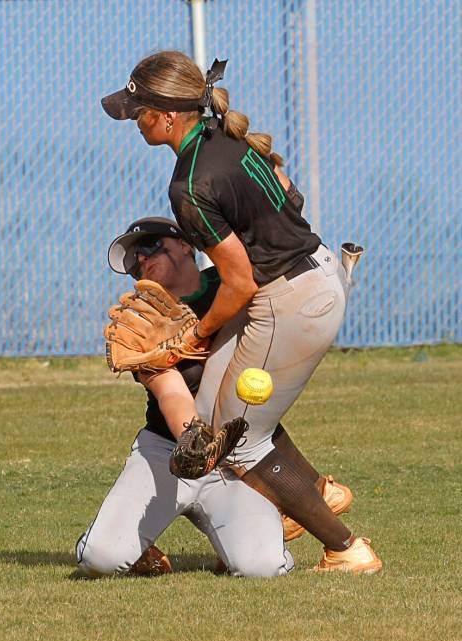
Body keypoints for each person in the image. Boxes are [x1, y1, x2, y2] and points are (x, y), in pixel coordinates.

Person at [100, 51, 382, 573]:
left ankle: (345, 548)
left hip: (288, 298)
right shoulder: (224, 140)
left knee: (238, 439)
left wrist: (197, 336)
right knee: (209, 423)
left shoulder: (188, 185)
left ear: (166, 116)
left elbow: (240, 280)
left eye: (138, 111)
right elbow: (289, 196)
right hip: (309, 277)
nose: (133, 120)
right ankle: (315, 492)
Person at [76, 218, 294, 578]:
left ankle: (254, 532)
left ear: (184, 245)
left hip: (235, 456)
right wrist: (193, 440)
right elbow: (170, 390)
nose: (142, 260)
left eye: (149, 246)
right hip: (166, 451)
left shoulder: (237, 287)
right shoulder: (142, 324)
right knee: (100, 559)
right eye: (135, 260)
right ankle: (133, 546)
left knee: (262, 568)